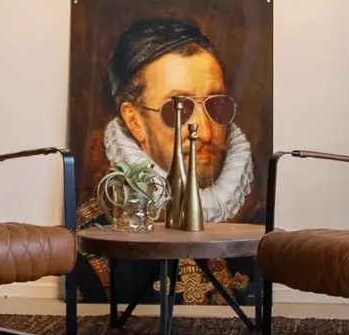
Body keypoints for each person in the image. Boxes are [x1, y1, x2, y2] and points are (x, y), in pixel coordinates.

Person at [102, 17, 254, 225]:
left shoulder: (256, 213)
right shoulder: (101, 222)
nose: (205, 133)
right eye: (177, 109)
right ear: (135, 121)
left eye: (215, 104)